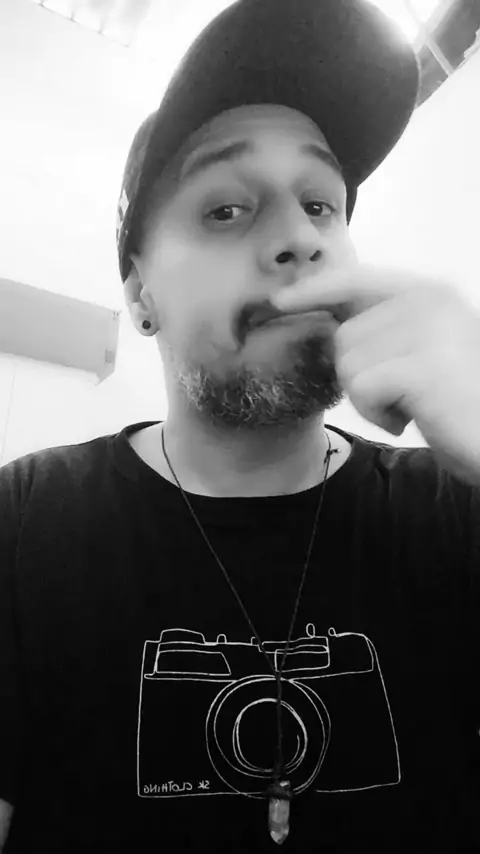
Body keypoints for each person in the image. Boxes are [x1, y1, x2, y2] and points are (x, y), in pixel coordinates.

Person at [1, 0, 480, 851]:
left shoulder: (457, 507)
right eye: (225, 209)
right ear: (140, 294)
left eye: (322, 204)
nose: (299, 237)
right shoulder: (23, 523)